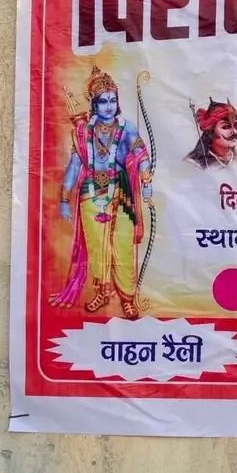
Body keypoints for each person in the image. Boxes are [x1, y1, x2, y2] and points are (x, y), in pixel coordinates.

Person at [51, 66, 153, 320]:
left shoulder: (127, 128)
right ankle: (102, 293)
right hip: (91, 195)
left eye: (112, 100)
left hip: (121, 193)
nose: (109, 106)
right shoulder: (83, 133)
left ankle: (127, 299)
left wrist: (145, 178)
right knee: (97, 249)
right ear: (94, 104)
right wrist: (64, 199)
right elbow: (74, 166)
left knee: (123, 246)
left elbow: (142, 156)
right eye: (103, 101)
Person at [186, 98, 237, 169]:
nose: (234, 131)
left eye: (235, 126)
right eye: (226, 127)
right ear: (211, 131)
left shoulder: (235, 157)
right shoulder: (195, 164)